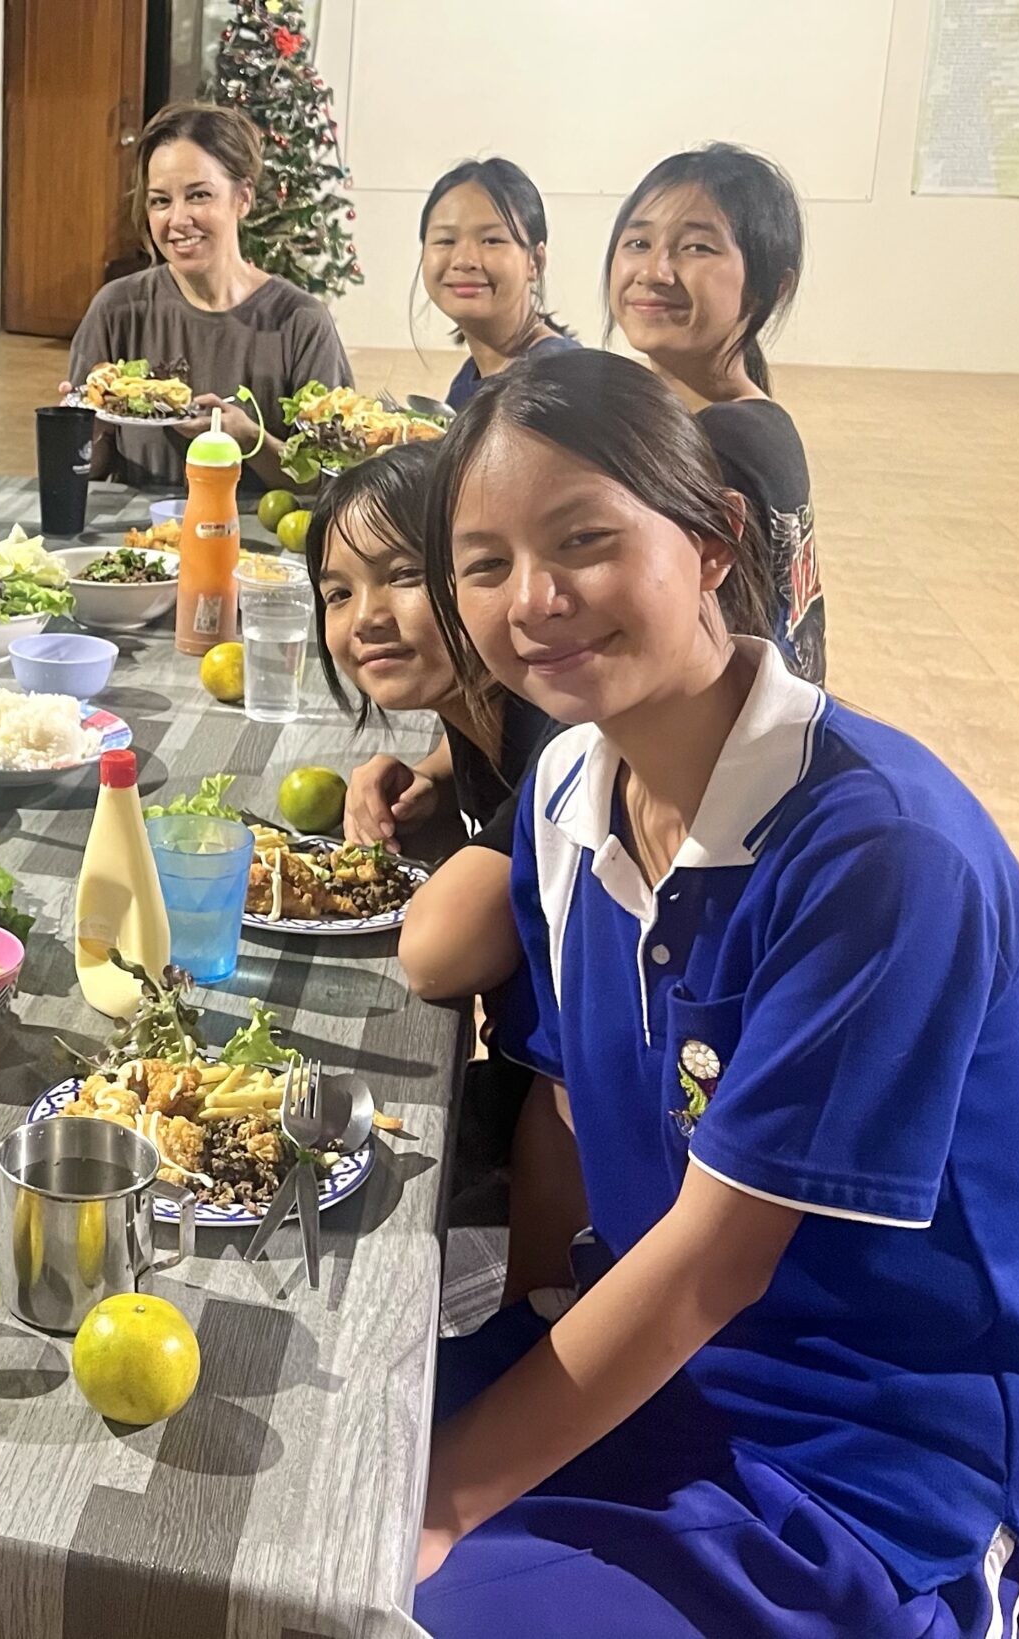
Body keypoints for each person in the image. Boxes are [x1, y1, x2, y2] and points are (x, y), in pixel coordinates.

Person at [411, 349, 1019, 1635]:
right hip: (656, 1377)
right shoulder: (564, 796)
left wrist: (445, 1500)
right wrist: (524, 1324)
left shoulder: (880, 857)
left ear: (712, 540)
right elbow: (561, 1115)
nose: (533, 599)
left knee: (373, 1580)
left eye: (583, 540)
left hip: (870, 1482)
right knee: (282, 1466)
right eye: (484, 564)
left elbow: (713, 1267)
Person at [305, 443, 577, 1300]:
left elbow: (436, 953)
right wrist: (433, 774)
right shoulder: (482, 713)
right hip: (532, 1098)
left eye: (403, 576)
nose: (366, 618)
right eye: (338, 592)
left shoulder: (568, 747)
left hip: (587, 1174)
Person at [607, 143, 822, 684]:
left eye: (697, 248)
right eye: (638, 242)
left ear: (771, 288)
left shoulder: (722, 442)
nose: (655, 271)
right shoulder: (751, 419)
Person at [66, 102, 352, 491]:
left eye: (199, 195)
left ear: (243, 198)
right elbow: (83, 473)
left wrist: (250, 439)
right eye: (160, 200)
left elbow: (333, 482)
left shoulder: (300, 322)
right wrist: (85, 428)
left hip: (258, 530)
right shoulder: (117, 309)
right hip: (141, 528)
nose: (178, 220)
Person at [417, 158, 578, 410]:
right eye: (445, 241)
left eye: (491, 240)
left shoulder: (558, 381)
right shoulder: (469, 378)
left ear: (535, 261)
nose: (464, 260)